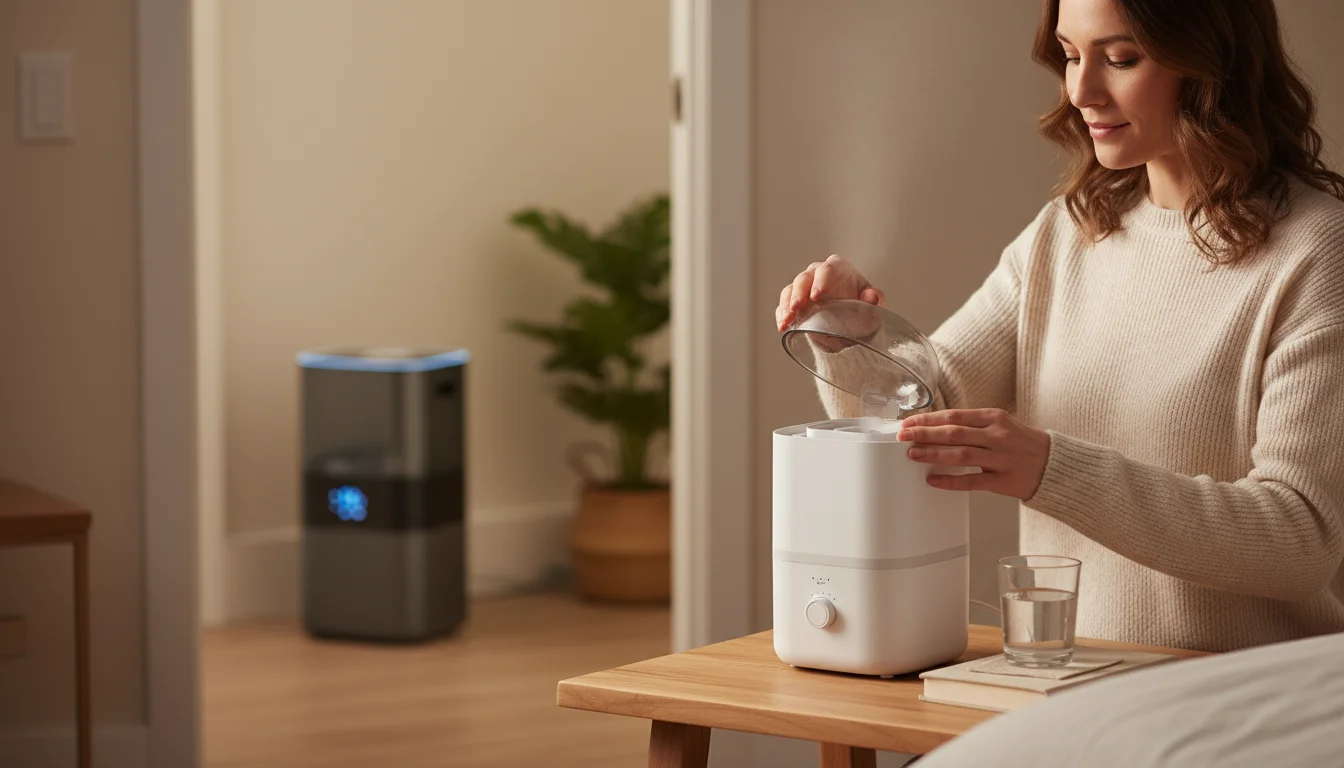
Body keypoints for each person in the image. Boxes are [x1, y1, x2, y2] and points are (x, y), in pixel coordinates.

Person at [775, 0, 1344, 653]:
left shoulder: (1316, 253)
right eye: (1071, 56)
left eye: (1121, 58)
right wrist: (849, 339)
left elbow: (1301, 541)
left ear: (1214, 63)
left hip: (1246, 704)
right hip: (1071, 687)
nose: (1080, 91)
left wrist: (1054, 469)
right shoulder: (1070, 232)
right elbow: (924, 415)